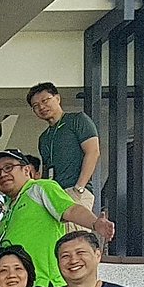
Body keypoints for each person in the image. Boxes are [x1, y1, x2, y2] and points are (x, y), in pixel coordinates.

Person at [0, 150, 115, 287]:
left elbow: (70, 210)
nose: (3, 175)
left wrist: (94, 223)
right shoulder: (8, 208)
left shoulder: (40, 188)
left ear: (26, 170)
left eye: (8, 167)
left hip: (44, 285)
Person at [28, 82, 101, 216]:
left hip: (74, 190)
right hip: (54, 195)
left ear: (57, 98)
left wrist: (79, 188)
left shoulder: (77, 120)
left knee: (76, 235)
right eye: (35, 106)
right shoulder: (43, 137)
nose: (41, 107)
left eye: (45, 100)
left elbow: (93, 152)